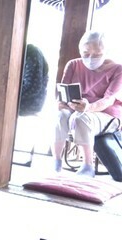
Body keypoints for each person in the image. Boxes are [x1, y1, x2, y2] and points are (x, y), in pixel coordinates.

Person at [52, 30, 122, 177]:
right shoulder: (73, 65)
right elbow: (63, 93)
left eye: (97, 55)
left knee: (81, 118)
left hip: (107, 114)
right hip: (77, 108)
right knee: (61, 116)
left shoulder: (118, 70)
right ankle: (56, 161)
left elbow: (108, 99)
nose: (90, 58)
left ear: (106, 52)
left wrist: (88, 107)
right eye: (85, 53)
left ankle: (87, 165)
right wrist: (62, 103)